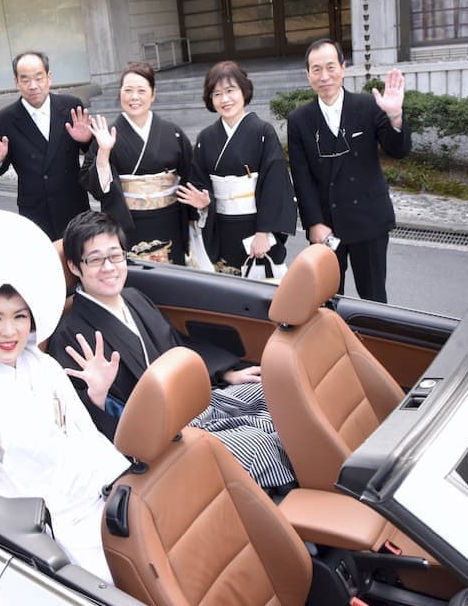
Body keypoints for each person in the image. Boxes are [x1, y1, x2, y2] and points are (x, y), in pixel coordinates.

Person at [0, 210, 128, 582]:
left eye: (19, 316)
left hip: (103, 497)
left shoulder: (43, 365)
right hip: (57, 533)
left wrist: (98, 398)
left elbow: (84, 434)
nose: (9, 331)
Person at [48, 210, 294, 491]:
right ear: (74, 267)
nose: (109, 267)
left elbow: (176, 345)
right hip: (161, 438)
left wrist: (225, 373)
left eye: (115, 256)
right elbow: (81, 421)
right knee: (260, 444)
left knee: (272, 396)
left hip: (191, 405)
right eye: (94, 260)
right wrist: (98, 397)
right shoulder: (70, 335)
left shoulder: (133, 298)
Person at [286, 39, 410, 303]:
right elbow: (301, 177)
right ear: (308, 75)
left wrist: (395, 116)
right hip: (327, 226)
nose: (324, 76)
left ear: (343, 68)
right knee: (327, 299)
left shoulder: (367, 106)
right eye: (316, 69)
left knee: (374, 300)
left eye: (331, 67)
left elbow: (398, 150)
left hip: (369, 220)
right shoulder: (299, 120)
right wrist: (314, 224)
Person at [181, 61, 297, 275]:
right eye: (217, 94)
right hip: (220, 226)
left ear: (244, 91)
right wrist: (204, 203)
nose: (224, 99)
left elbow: (275, 185)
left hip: (255, 227)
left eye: (230, 90)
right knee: (226, 284)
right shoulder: (205, 138)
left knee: (261, 285)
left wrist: (264, 232)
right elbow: (199, 182)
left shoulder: (263, 132)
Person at [80, 62, 193, 265]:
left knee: (172, 277)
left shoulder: (173, 133)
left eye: (141, 90)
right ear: (120, 93)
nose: (134, 97)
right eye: (128, 90)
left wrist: (196, 212)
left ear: (153, 94)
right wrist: (104, 152)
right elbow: (94, 186)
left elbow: (190, 177)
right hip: (127, 223)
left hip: (169, 220)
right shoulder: (106, 135)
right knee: (134, 276)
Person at [0, 51, 93, 240]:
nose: (33, 86)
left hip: (73, 204)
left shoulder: (71, 107)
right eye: (25, 79)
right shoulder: (5, 119)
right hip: (36, 210)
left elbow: (91, 153)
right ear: (16, 82)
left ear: (49, 77)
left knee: (80, 252)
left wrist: (87, 140)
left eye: (38, 78)